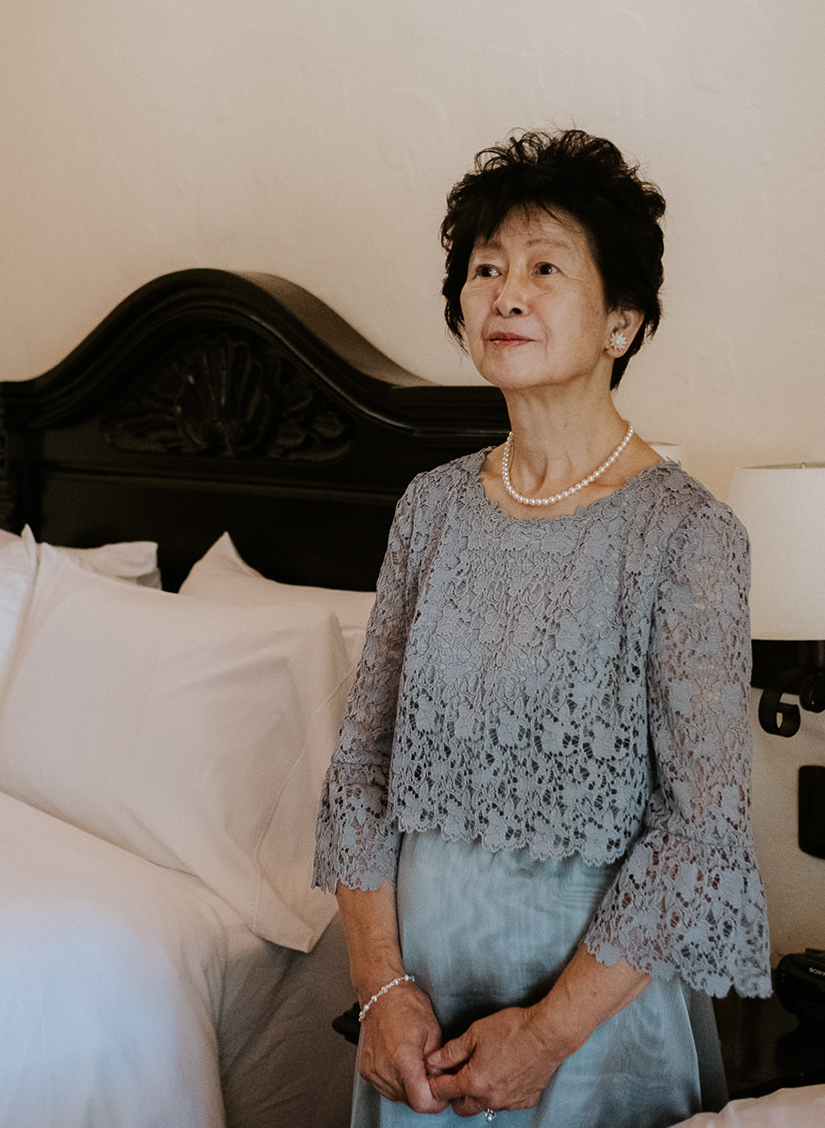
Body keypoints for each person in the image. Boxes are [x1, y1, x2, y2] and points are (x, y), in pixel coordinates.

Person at [313, 129, 771, 1128]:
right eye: (486, 269)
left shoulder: (685, 534)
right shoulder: (430, 508)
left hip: (594, 1022)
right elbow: (361, 770)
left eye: (544, 269)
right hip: (419, 1009)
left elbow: (699, 833)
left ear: (622, 323)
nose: (505, 294)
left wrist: (546, 1036)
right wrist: (381, 989)